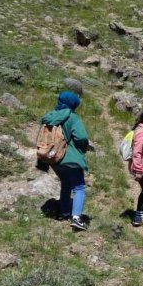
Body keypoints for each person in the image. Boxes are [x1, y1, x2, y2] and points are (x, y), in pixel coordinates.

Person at [39, 91, 91, 231]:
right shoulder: (73, 118)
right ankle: (76, 218)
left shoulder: (49, 116)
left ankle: (64, 213)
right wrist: (84, 147)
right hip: (70, 158)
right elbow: (81, 137)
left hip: (54, 159)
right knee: (79, 187)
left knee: (65, 184)